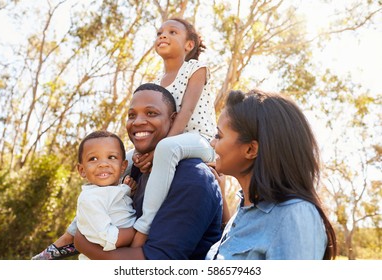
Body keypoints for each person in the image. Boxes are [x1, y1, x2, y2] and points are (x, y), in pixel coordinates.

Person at [74, 83, 223, 259]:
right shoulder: (136, 171)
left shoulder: (193, 178)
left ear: (174, 120)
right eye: (131, 115)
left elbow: (159, 263)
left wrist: (83, 244)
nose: (138, 121)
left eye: (151, 113)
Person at [206, 89, 337, 260]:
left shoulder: (295, 215)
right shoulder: (243, 210)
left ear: (250, 149)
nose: (212, 142)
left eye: (218, 135)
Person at [128, 18, 217, 246]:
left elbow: (186, 110)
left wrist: (157, 149)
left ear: (189, 45)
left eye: (172, 32)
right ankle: (95, 221)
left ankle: (144, 228)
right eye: (159, 32)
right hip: (172, 140)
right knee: (125, 156)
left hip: (200, 139)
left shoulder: (195, 68)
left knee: (168, 148)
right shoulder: (157, 82)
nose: (163, 35)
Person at [31, 131, 136, 260]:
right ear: (82, 170)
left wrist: (127, 189)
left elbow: (113, 204)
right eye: (93, 159)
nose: (103, 164)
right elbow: (109, 239)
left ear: (123, 166)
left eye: (111, 157)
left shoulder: (114, 190)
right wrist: (139, 231)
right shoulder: (90, 199)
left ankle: (54, 249)